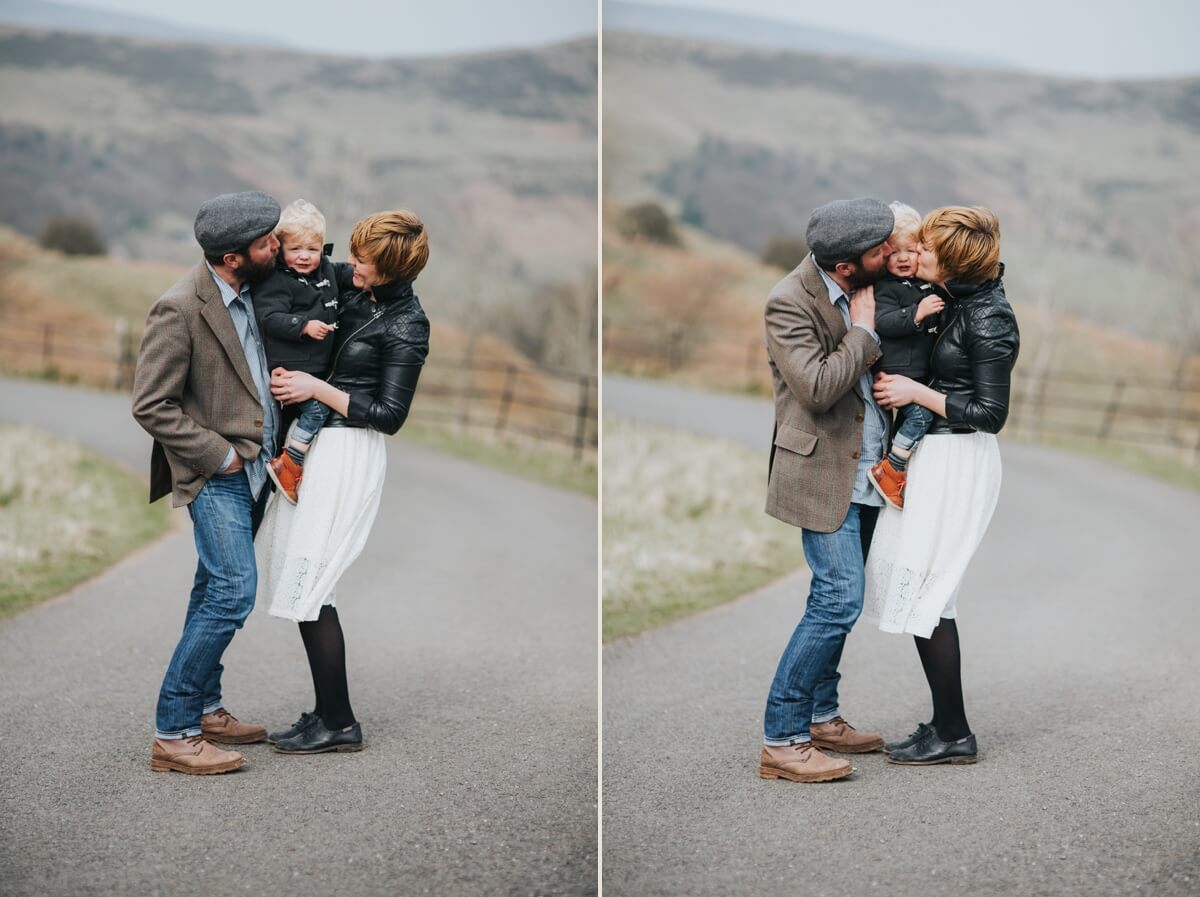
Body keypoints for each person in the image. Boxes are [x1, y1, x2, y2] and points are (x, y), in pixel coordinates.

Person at [255, 210, 431, 754]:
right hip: (314, 444)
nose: (349, 262)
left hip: (348, 450)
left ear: (391, 271)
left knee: (313, 583)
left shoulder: (408, 325)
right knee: (305, 581)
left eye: (363, 260)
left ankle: (340, 722)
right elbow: (294, 270)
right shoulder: (351, 287)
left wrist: (313, 386)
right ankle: (327, 711)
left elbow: (388, 415)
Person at [132, 191, 282, 775]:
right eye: (266, 241)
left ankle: (208, 708)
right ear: (232, 256)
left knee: (209, 590)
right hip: (217, 471)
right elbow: (152, 404)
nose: (277, 246)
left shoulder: (252, 288)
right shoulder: (179, 308)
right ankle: (174, 732)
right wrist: (218, 455)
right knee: (232, 592)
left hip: (256, 470)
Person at [863, 206, 1020, 766]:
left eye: (926, 248)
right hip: (936, 454)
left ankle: (954, 733)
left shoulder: (989, 318)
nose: (915, 254)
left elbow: (990, 412)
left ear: (949, 262)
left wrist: (913, 391)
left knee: (930, 592)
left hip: (959, 458)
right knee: (926, 590)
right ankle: (946, 724)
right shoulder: (959, 301)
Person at [758, 198, 893, 784]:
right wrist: (863, 333)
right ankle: (781, 739)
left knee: (841, 599)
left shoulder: (871, 284)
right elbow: (815, 388)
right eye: (879, 250)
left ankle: (821, 716)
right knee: (839, 600)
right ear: (845, 266)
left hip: (869, 472)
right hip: (820, 473)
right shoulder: (787, 302)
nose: (890, 255)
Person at [252, 198, 353, 504]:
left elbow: (349, 275)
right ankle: (290, 461)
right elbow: (269, 317)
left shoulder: (326, 270)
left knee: (310, 417)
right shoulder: (276, 279)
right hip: (291, 368)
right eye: (296, 249)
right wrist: (303, 325)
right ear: (281, 248)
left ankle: (287, 465)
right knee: (318, 409)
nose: (305, 257)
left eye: (312, 249)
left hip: (317, 367)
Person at [867, 201, 946, 509]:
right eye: (894, 252)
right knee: (922, 414)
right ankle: (891, 468)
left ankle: (898, 462)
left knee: (914, 419)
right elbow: (883, 321)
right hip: (899, 372)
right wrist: (917, 313)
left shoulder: (924, 285)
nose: (902, 258)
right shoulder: (887, 289)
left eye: (910, 251)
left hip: (917, 373)